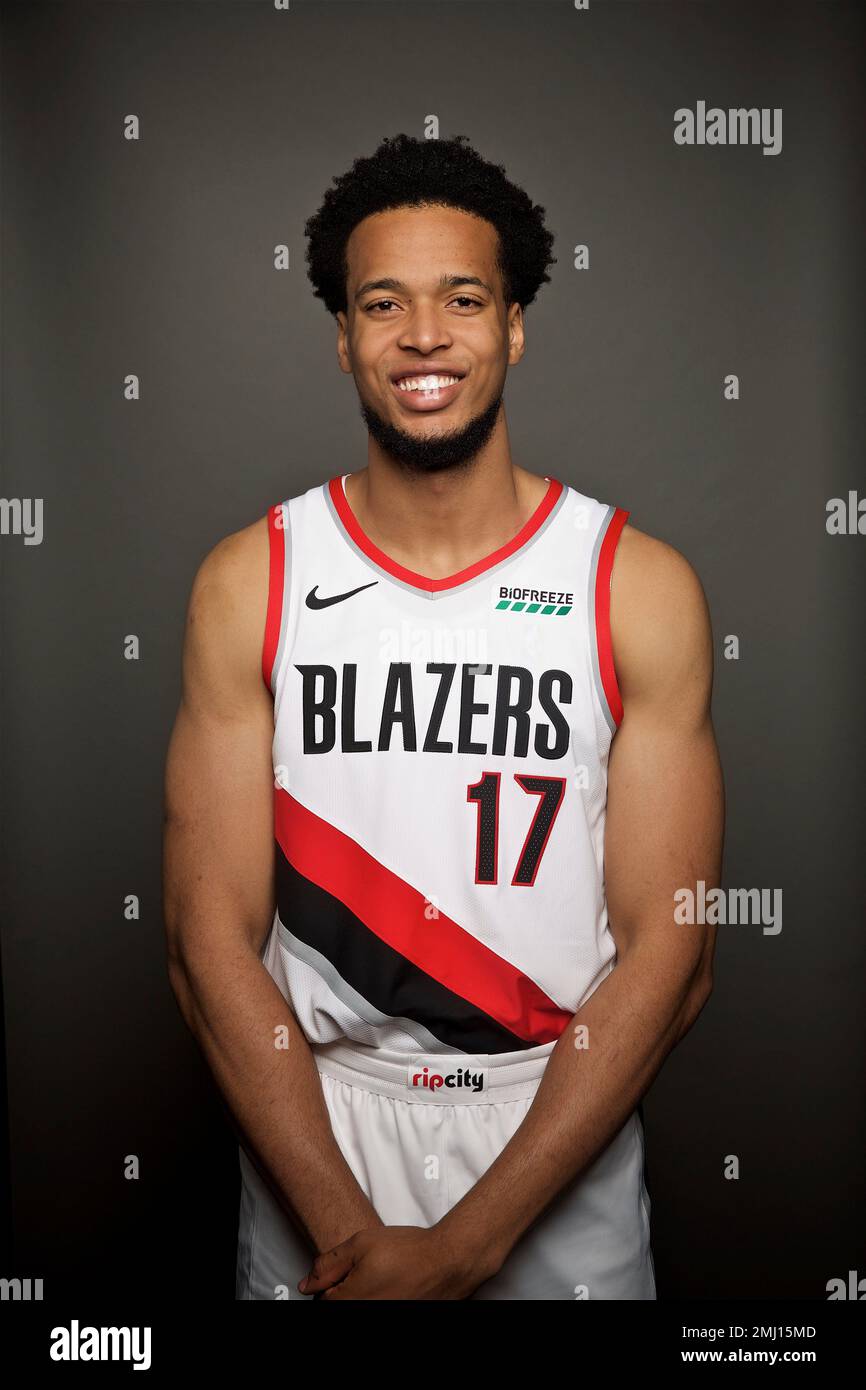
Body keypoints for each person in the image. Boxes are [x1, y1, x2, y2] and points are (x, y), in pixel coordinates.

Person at [163, 133, 724, 1300]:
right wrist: (343, 1232)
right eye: (383, 303)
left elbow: (671, 953)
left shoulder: (632, 584)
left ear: (512, 324)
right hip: (315, 1123)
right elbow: (205, 941)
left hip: (551, 1133)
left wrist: (467, 1246)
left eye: (462, 298)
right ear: (343, 336)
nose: (424, 335)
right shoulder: (251, 580)